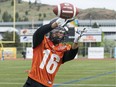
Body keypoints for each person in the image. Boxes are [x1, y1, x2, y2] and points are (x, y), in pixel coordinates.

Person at [23, 17, 84, 87]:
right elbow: (38, 32)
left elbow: (71, 55)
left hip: (48, 85)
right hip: (34, 82)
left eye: (61, 33)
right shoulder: (42, 42)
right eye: (57, 32)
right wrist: (55, 24)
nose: (59, 34)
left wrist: (76, 41)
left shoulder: (62, 48)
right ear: (51, 32)